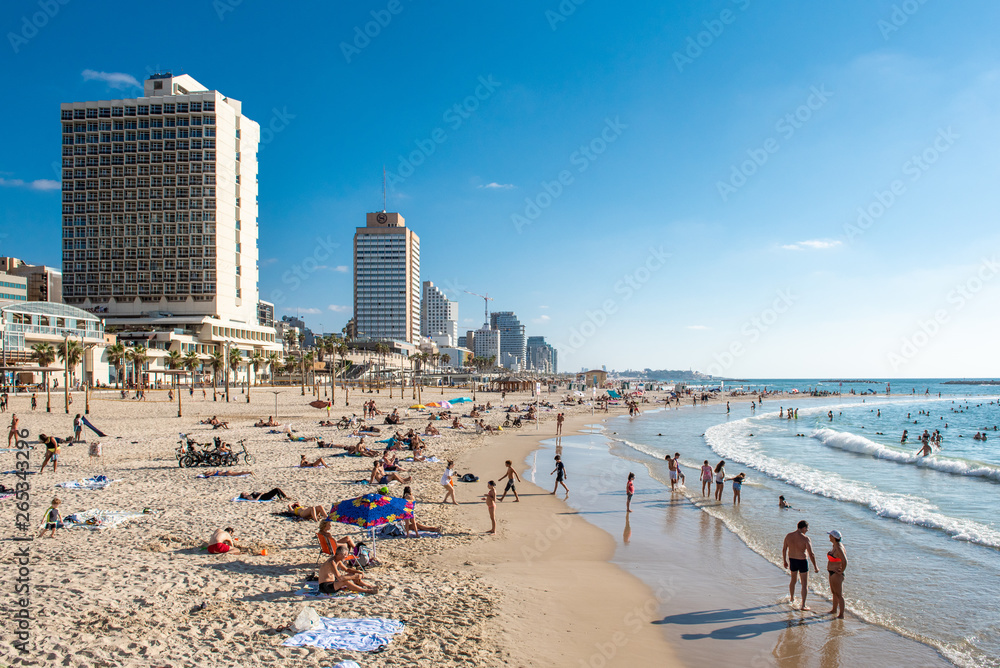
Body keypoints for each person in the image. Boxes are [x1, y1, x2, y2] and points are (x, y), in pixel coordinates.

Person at [782, 520, 819, 611]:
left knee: (793, 580)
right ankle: (803, 605)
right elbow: (811, 554)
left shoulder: (788, 536)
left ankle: (791, 598)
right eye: (807, 529)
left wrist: (785, 561)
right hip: (802, 561)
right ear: (804, 528)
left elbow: (784, 549)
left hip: (792, 560)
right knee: (804, 584)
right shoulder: (806, 539)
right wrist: (815, 566)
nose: (807, 530)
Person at [825, 530, 848, 618]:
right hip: (831, 572)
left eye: (830, 536)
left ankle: (841, 614)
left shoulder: (839, 547)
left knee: (839, 594)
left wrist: (841, 571)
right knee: (834, 592)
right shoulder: (834, 545)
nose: (829, 537)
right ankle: (834, 610)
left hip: (836, 573)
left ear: (833, 537)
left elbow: (845, 560)